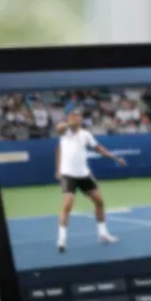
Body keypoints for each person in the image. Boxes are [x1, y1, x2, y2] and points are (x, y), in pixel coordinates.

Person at [54, 106, 126, 253]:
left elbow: (98, 148)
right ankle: (61, 240)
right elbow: (59, 128)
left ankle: (103, 234)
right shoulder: (64, 132)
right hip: (68, 175)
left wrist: (115, 158)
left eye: (79, 117)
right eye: (74, 116)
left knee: (99, 201)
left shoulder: (85, 134)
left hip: (84, 174)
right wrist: (70, 123)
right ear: (69, 119)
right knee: (67, 205)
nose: (78, 119)